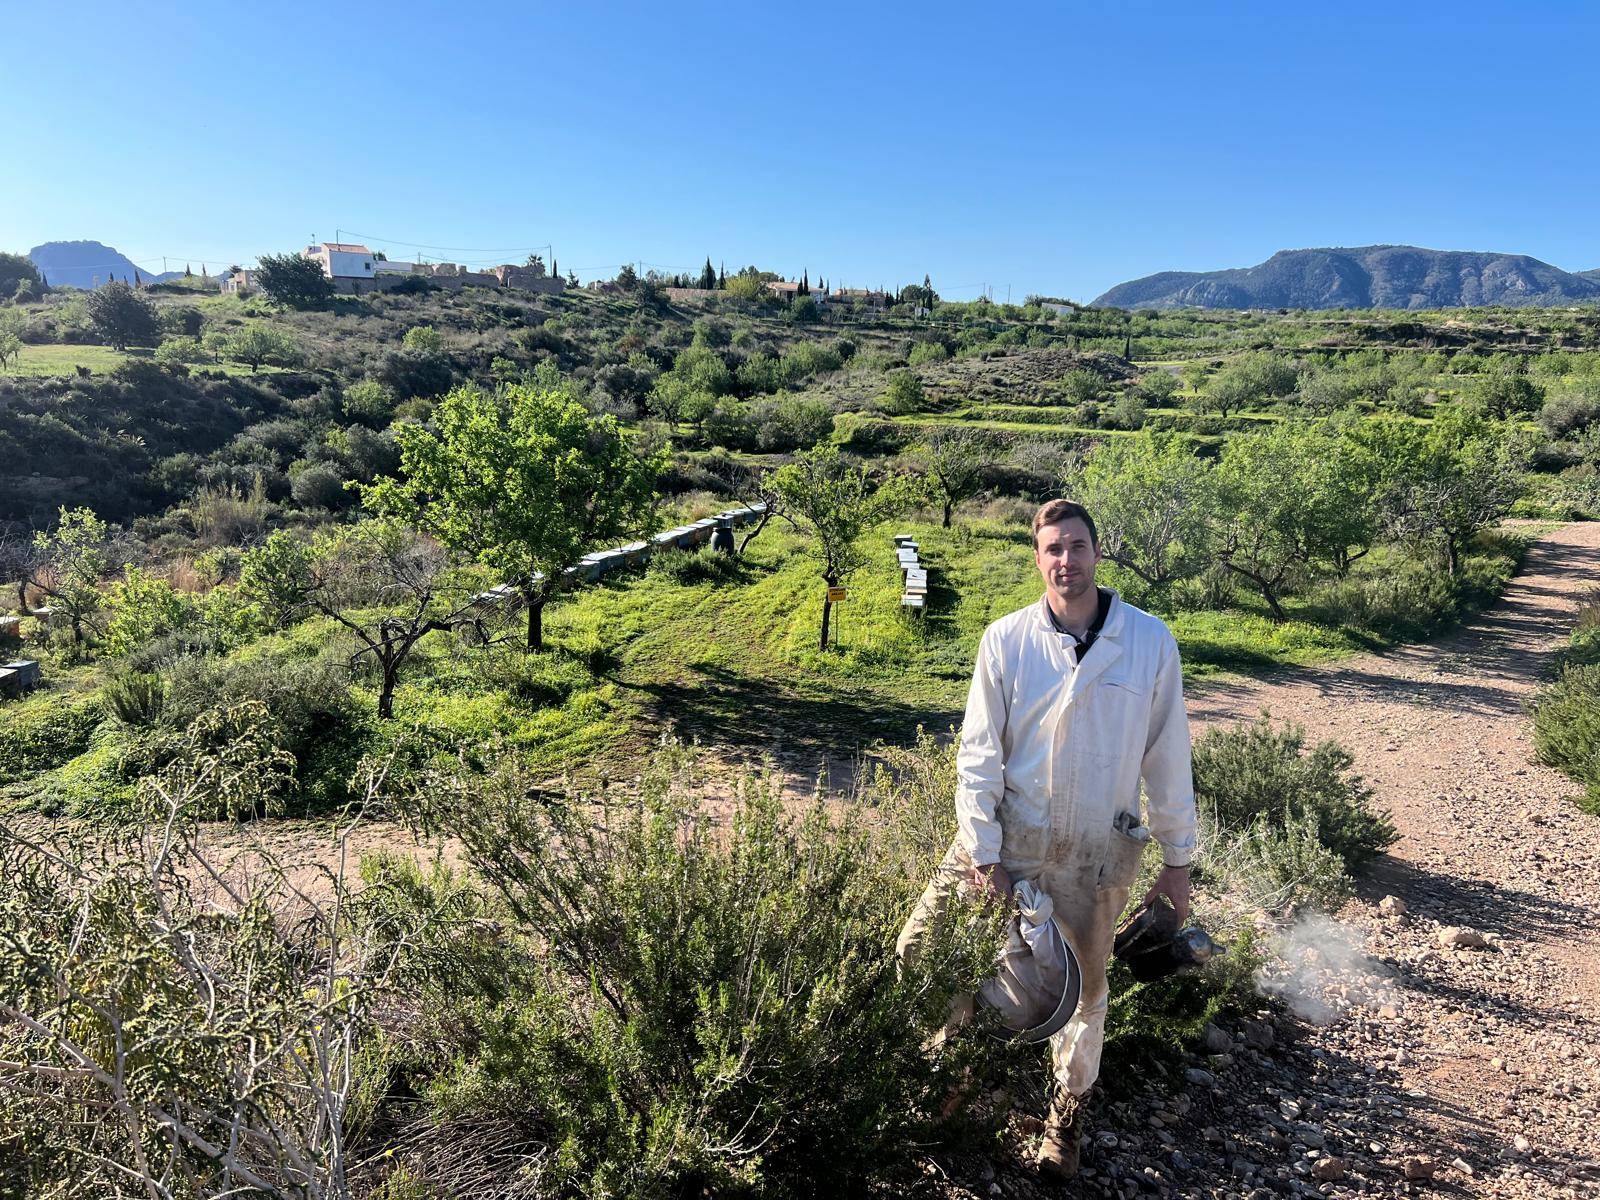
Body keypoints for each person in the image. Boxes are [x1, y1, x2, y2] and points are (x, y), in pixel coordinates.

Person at [896, 498, 1197, 1181]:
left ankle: (1067, 1120)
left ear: (1098, 553)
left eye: (1077, 546)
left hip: (1096, 852)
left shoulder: (1148, 642)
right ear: (1037, 559)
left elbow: (1168, 755)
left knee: (1086, 995)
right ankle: (949, 1086)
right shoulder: (1006, 640)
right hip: (1009, 838)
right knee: (921, 950)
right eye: (1053, 549)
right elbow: (979, 754)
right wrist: (983, 853)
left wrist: (1177, 862)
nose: (1066, 560)